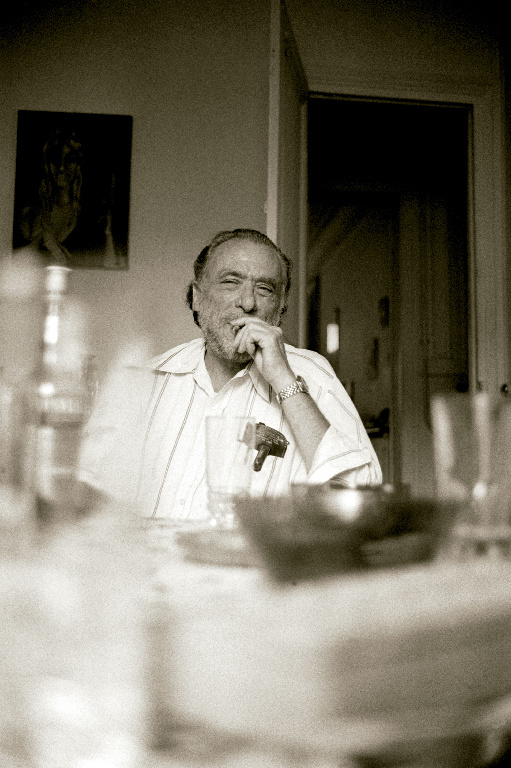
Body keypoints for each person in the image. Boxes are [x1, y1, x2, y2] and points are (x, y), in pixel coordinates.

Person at [82, 229, 381, 520]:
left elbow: (362, 494)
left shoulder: (312, 375)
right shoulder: (140, 380)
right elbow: (84, 491)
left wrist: (284, 380)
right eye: (230, 282)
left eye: (264, 289)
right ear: (197, 297)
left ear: (281, 308)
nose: (248, 303)